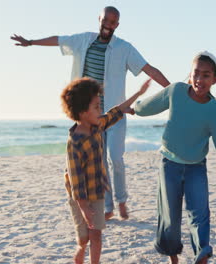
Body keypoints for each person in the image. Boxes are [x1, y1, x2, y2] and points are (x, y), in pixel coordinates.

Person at [11, 6, 170, 220]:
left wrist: (173, 90)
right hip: (91, 118)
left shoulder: (125, 48)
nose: (108, 25)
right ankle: (108, 207)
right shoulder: (83, 40)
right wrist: (31, 42)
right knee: (101, 162)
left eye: (113, 22)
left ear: (117, 25)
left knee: (116, 158)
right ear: (100, 19)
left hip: (114, 115)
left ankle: (122, 200)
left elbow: (149, 69)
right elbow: (59, 40)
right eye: (106, 20)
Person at [134, 51, 216, 264]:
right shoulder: (176, 91)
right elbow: (150, 105)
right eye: (196, 73)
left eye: (206, 75)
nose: (200, 79)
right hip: (169, 165)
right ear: (190, 74)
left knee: (200, 214)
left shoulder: (214, 111)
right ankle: (174, 259)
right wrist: (133, 108)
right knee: (170, 216)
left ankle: (202, 253)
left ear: (215, 79)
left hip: (196, 167)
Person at [61, 77, 151, 264]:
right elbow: (76, 178)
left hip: (97, 191)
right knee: (84, 236)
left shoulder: (97, 125)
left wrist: (139, 94)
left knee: (96, 234)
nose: (100, 110)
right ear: (83, 111)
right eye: (96, 107)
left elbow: (116, 112)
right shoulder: (75, 142)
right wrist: (84, 207)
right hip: (79, 198)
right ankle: (80, 248)